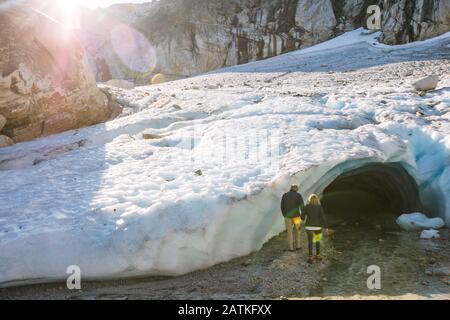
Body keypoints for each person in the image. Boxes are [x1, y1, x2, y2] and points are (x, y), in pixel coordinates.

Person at [301, 194, 328, 263]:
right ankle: (318, 256)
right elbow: (323, 217)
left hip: (309, 226)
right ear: (317, 200)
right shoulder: (319, 207)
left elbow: (302, 217)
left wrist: (302, 215)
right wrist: (326, 226)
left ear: (309, 200)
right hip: (318, 227)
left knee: (310, 242)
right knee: (317, 241)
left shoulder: (306, 207)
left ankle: (310, 257)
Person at [280, 184, 304, 251]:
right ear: (296, 189)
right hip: (296, 217)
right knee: (298, 231)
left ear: (291, 188)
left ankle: (291, 248)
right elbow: (302, 206)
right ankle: (298, 246)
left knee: (289, 232)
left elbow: (282, 206)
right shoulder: (298, 195)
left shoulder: (285, 195)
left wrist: (284, 214)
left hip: (288, 217)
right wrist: (303, 215)